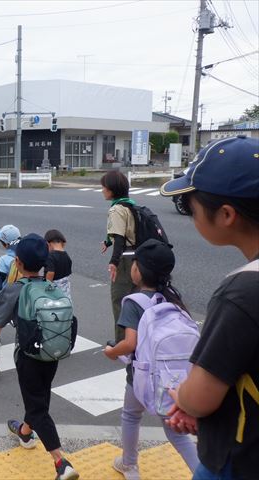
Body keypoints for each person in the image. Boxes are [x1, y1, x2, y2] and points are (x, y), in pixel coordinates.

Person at [160, 135, 259, 480]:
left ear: (227, 214)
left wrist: (182, 397)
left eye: (191, 206)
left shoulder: (242, 293)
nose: (189, 214)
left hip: (241, 460)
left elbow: (200, 397)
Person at [104, 239, 198, 479]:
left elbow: (130, 343)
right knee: (176, 434)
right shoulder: (172, 297)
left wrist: (112, 352)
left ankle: (129, 465)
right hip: (171, 379)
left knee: (131, 415)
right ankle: (202, 473)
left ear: (138, 270)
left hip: (141, 376)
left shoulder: (134, 303)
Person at [0, 234, 79, 480]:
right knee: (40, 396)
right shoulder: (52, 287)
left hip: (28, 355)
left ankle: (61, 462)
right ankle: (25, 432)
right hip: (53, 353)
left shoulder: (17, 289)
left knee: (37, 406)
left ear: (17, 262)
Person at [100, 170, 137, 343]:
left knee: (120, 301)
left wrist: (113, 262)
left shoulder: (117, 209)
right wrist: (108, 242)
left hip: (126, 260)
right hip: (139, 257)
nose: (102, 189)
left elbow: (120, 239)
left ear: (112, 189)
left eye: (104, 186)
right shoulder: (131, 205)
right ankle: (138, 338)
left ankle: (122, 342)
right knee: (138, 299)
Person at [0, 224, 21, 345]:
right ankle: (20, 341)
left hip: (8, 294)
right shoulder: (25, 254)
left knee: (0, 316)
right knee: (21, 318)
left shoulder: (5, 259)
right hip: (24, 292)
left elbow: (1, 279)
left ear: (5, 244)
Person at [44, 229, 73, 301]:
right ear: (63, 243)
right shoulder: (67, 257)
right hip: (66, 295)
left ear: (48, 244)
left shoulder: (50, 256)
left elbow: (50, 273)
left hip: (55, 295)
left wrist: (46, 289)